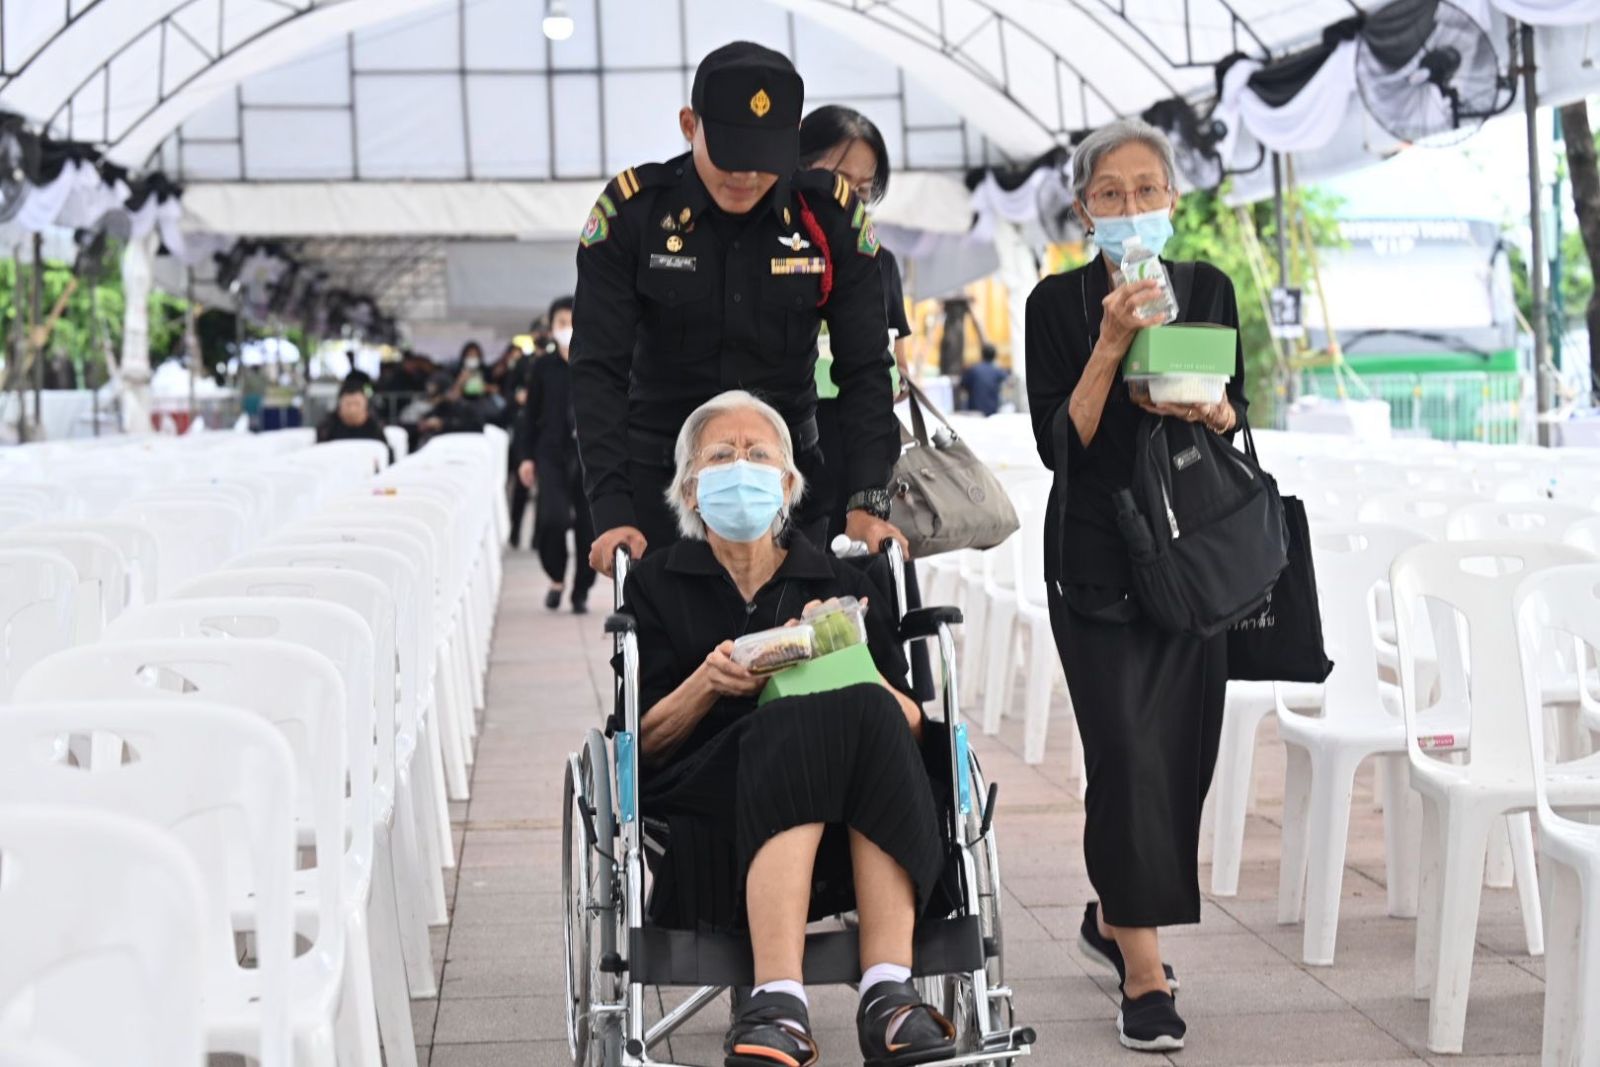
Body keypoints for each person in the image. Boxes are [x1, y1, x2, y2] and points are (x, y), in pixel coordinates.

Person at [618, 390, 954, 1067]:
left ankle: (888, 991)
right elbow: (640, 743)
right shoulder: (657, 585)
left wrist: (852, 659)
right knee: (788, 717)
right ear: (690, 488)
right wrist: (707, 684)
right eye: (721, 455)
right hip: (712, 809)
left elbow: (916, 728)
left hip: (852, 813)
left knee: (865, 703)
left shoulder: (841, 581)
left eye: (758, 454)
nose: (741, 467)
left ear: (789, 483)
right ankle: (778, 999)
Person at [1024, 117, 1246, 1054]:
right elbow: (1058, 443)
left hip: (1193, 551)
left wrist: (1208, 402)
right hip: (1096, 554)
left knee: (1184, 753)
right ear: (1084, 211)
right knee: (1123, 751)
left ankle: (1113, 913)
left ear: (1173, 199)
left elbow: (1237, 415)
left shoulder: (1208, 287)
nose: (1130, 205)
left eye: (1146, 188)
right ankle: (1145, 972)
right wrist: (1112, 342)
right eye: (1109, 193)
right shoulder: (1057, 303)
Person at [570, 40, 906, 579]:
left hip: (786, 486)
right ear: (689, 125)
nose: (746, 175)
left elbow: (866, 367)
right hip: (663, 487)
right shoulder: (635, 216)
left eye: (763, 156)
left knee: (801, 630)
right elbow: (597, 370)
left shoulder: (829, 219)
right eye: (730, 153)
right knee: (668, 632)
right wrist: (611, 511)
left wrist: (867, 501)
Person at [798, 104, 915, 542]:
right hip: (794, 434)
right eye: (837, 181)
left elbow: (895, 354)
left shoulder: (877, 261)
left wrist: (895, 379)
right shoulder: (777, 251)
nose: (848, 200)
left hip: (855, 431)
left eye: (862, 191)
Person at [514, 294, 595, 614]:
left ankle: (581, 590)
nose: (567, 328)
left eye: (572, 321)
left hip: (589, 455)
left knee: (589, 527)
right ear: (551, 327)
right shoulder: (543, 367)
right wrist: (525, 457)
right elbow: (529, 415)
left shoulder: (594, 360)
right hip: (550, 453)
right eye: (561, 322)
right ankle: (556, 577)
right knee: (552, 518)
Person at [316, 374, 394, 463]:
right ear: (340, 406)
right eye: (348, 404)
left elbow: (388, 457)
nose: (352, 410)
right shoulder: (327, 428)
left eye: (357, 404)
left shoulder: (375, 427)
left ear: (366, 405)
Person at [958, 343, 1010, 416]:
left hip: (974, 410)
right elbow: (1009, 383)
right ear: (994, 356)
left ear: (982, 354)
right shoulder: (997, 371)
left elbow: (962, 385)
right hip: (992, 411)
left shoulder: (973, 370)